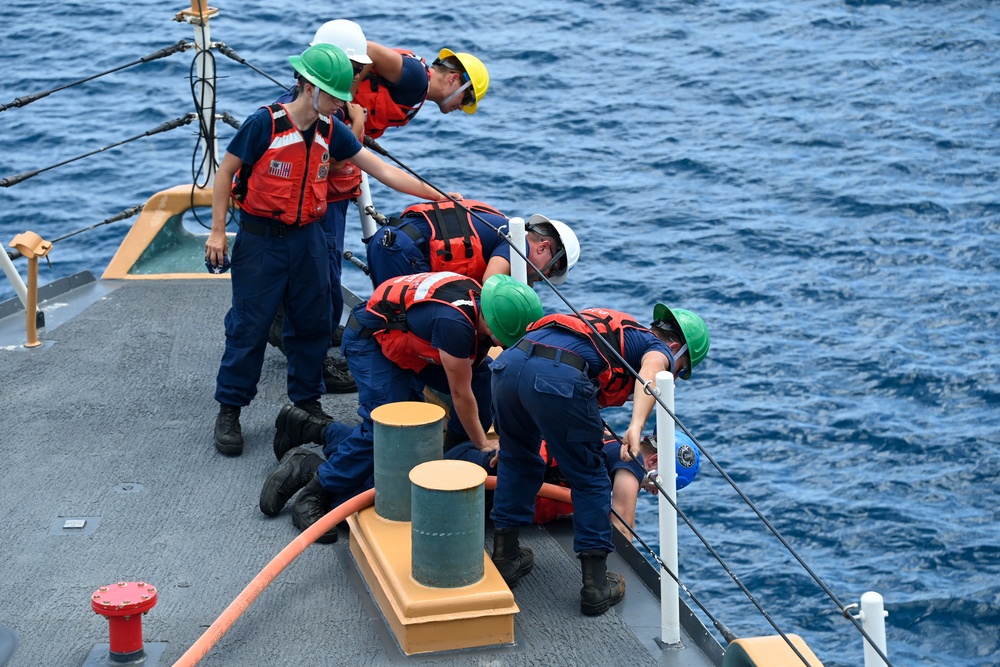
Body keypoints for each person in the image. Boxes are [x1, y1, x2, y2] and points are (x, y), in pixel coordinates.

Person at [206, 43, 448, 457]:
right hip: (260, 239)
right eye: (336, 96)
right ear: (309, 87)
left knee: (313, 320)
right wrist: (217, 233)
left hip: (308, 237)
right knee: (249, 325)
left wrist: (439, 196)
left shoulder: (330, 130)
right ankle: (230, 409)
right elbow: (226, 170)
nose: (341, 104)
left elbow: (382, 170)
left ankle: (306, 404)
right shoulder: (264, 124)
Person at [258, 273, 544, 542]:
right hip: (372, 342)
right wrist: (483, 444)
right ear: (495, 328)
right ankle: (316, 488)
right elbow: (460, 393)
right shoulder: (455, 324)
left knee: (482, 378)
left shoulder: (478, 301)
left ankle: (448, 455)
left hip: (410, 342)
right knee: (388, 426)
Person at [488, 303, 710, 615]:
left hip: (509, 365)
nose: (672, 379)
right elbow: (650, 372)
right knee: (590, 479)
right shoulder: (657, 348)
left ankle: (506, 555)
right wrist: (636, 425)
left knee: (516, 459)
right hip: (557, 377)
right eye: (680, 371)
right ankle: (595, 587)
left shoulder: (617, 330)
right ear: (675, 349)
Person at [267, 20, 373, 394]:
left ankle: (308, 333)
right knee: (322, 279)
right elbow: (341, 162)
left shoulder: (300, 102)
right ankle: (315, 364)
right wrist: (358, 122)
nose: (357, 77)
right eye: (356, 69)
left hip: (320, 206)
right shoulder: (330, 113)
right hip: (318, 207)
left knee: (321, 278)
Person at [446, 430, 701, 533]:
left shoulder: (609, 440)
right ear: (654, 461)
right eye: (660, 486)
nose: (655, 493)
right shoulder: (632, 463)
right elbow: (622, 527)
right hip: (474, 485)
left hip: (473, 459)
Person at [365, 199, 580, 288]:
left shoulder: (499, 225)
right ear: (543, 247)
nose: (540, 280)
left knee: (389, 318)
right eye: (549, 272)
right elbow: (491, 285)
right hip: (404, 252)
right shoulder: (518, 242)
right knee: (402, 328)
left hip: (388, 241)